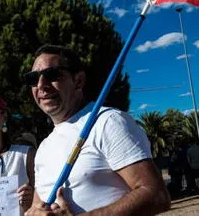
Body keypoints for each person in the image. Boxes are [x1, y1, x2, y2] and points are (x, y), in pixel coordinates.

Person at [24, 45, 170, 215]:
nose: (41, 85)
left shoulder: (108, 122)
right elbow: (38, 206)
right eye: (33, 78)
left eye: (52, 75)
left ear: (78, 81)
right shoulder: (44, 147)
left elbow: (156, 195)